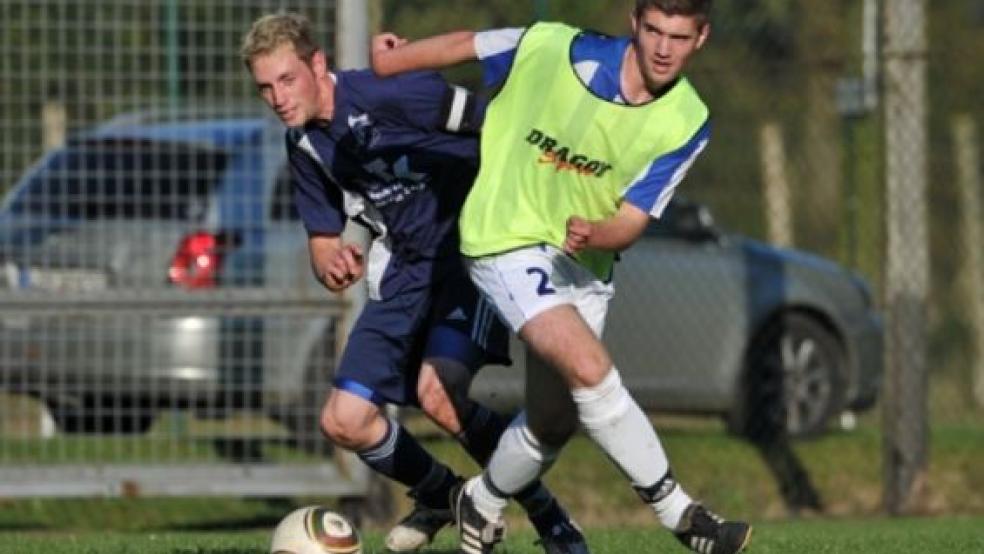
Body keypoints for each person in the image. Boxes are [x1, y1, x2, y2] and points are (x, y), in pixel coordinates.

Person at [371, 1, 752, 553]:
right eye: (653, 30)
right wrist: (392, 62)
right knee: (591, 367)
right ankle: (685, 518)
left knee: (551, 422)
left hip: (582, 266)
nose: (663, 48)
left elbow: (631, 220)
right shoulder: (550, 46)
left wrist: (595, 235)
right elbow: (465, 45)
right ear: (634, 22)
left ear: (702, 38)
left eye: (678, 36)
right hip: (504, 237)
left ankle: (481, 501)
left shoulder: (688, 121)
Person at [240, 12, 588, 554]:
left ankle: (550, 517)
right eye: (265, 87)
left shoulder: (391, 91)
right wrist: (331, 261)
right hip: (403, 270)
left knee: (438, 392)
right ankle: (444, 496)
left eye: (287, 80)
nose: (279, 97)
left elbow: (499, 126)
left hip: (469, 254)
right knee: (345, 421)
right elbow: (322, 241)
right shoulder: (303, 145)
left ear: (318, 64)